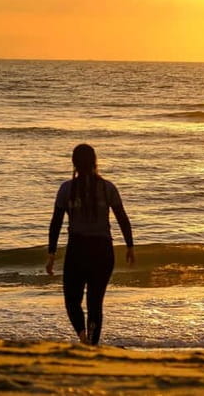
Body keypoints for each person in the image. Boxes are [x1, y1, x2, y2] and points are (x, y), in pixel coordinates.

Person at [45, 144, 135, 345]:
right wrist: (130, 246)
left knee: (72, 300)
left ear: (74, 163)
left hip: (78, 250)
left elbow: (56, 222)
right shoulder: (108, 187)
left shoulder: (66, 189)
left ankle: (83, 337)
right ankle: (92, 344)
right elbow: (122, 218)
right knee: (95, 303)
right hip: (103, 251)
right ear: (95, 162)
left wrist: (51, 252)